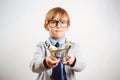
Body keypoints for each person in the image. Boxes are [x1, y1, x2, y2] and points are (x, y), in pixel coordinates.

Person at [30, 7, 86, 80]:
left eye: (62, 22)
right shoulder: (41, 46)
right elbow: (33, 67)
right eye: (53, 22)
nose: (58, 26)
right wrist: (45, 62)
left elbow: (82, 65)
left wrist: (74, 61)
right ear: (46, 26)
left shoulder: (74, 47)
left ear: (67, 26)